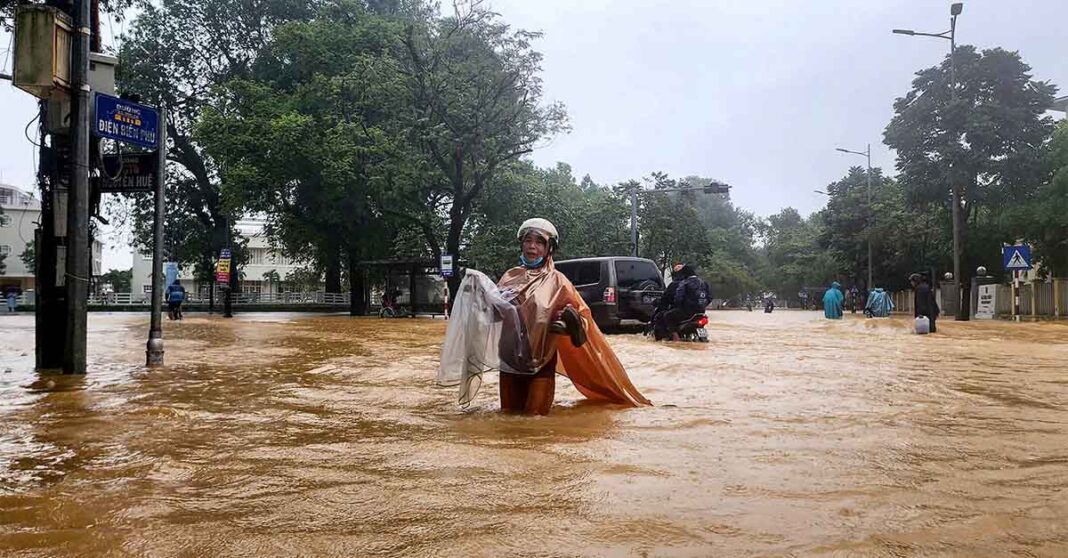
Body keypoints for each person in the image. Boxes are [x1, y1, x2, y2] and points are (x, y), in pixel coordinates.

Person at [438, 218, 651, 414]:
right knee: (509, 420)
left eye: (539, 242)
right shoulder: (510, 277)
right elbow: (494, 318)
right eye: (528, 241)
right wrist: (479, 299)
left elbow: (584, 322)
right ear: (521, 244)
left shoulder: (559, 282)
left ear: (549, 248)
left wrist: (569, 322)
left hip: (541, 362)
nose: (532, 247)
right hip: (509, 360)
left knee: (534, 422)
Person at [659, 264, 710, 341]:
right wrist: (702, 305)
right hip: (701, 312)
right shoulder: (704, 283)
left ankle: (675, 337)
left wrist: (678, 305)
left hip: (686, 312)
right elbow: (710, 297)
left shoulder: (685, 283)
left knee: (667, 316)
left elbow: (678, 298)